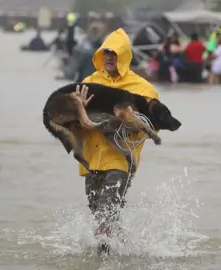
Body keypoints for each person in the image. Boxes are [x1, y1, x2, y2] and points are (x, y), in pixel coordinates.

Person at [79, 28, 159, 238]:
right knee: (101, 215)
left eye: (115, 53)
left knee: (106, 214)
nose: (109, 57)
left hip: (121, 161)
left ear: (124, 56)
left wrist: (130, 120)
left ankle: (102, 258)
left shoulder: (142, 88)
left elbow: (153, 124)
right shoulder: (89, 82)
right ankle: (123, 247)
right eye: (106, 52)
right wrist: (80, 111)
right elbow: (74, 121)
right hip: (91, 161)